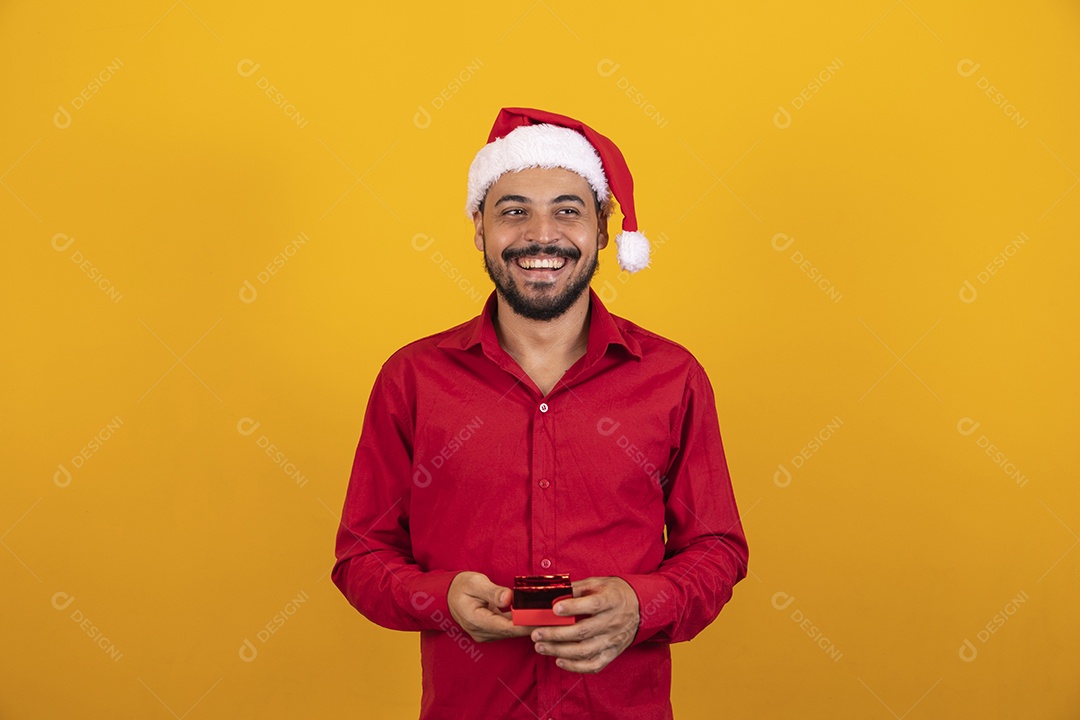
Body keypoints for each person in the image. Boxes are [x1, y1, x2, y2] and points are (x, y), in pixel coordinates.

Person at [332, 107, 748, 719]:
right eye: (514, 210)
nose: (541, 235)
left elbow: (717, 547)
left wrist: (644, 604)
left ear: (604, 230)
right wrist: (438, 597)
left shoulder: (672, 377)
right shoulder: (413, 379)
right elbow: (360, 555)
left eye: (568, 210)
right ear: (479, 228)